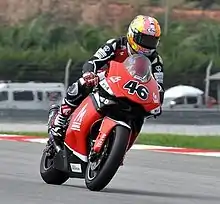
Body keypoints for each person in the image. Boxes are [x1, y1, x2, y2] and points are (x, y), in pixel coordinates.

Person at [48, 15, 165, 143]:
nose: (147, 45)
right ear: (132, 35)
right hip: (108, 79)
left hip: (133, 91)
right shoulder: (116, 45)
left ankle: (120, 149)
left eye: (151, 41)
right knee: (82, 83)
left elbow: (158, 85)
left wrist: (157, 102)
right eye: (144, 39)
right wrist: (89, 74)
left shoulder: (155, 60)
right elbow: (93, 61)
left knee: (141, 116)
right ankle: (60, 118)